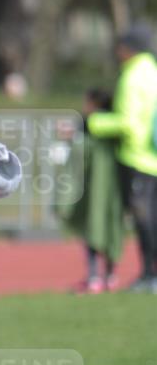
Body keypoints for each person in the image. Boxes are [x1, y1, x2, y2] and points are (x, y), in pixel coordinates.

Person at [87, 25, 157, 292]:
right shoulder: (152, 71)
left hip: (137, 156)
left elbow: (127, 123)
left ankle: (150, 275)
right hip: (154, 154)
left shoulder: (133, 76)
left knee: (144, 219)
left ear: (129, 48)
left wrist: (92, 122)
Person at [57, 89, 125, 293]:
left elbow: (78, 156)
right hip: (114, 191)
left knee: (93, 229)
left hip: (96, 191)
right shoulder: (117, 128)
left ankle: (95, 277)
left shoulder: (91, 127)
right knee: (111, 229)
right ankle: (110, 276)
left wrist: (70, 138)